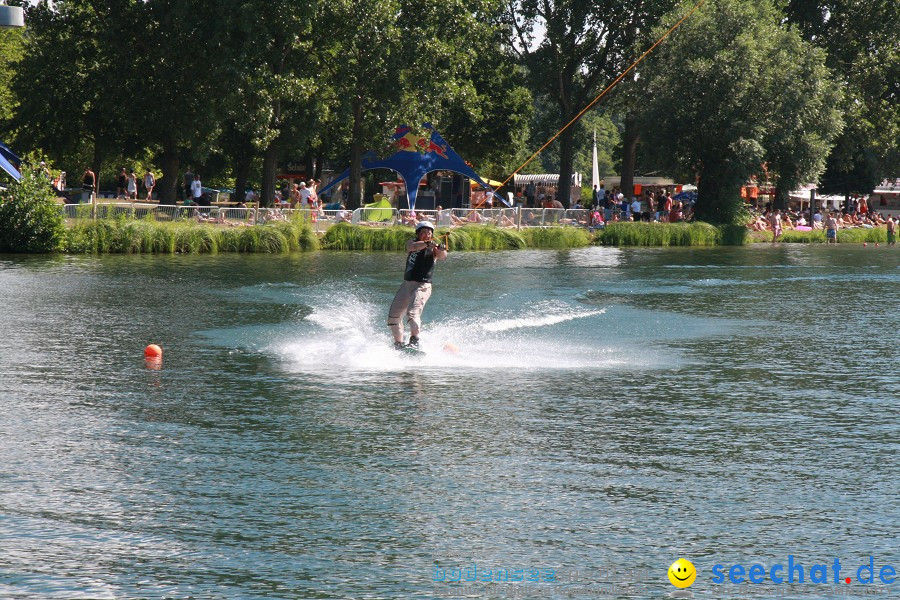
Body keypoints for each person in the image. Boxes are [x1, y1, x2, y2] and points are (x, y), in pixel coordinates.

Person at [387, 221, 448, 350]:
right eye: (424, 233)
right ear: (418, 234)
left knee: (412, 314)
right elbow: (412, 247)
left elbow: (442, 256)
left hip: (423, 286)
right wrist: (426, 244)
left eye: (429, 233)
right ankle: (398, 344)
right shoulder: (412, 243)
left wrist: (441, 249)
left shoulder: (434, 248)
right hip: (406, 286)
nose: (427, 235)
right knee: (393, 318)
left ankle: (415, 340)